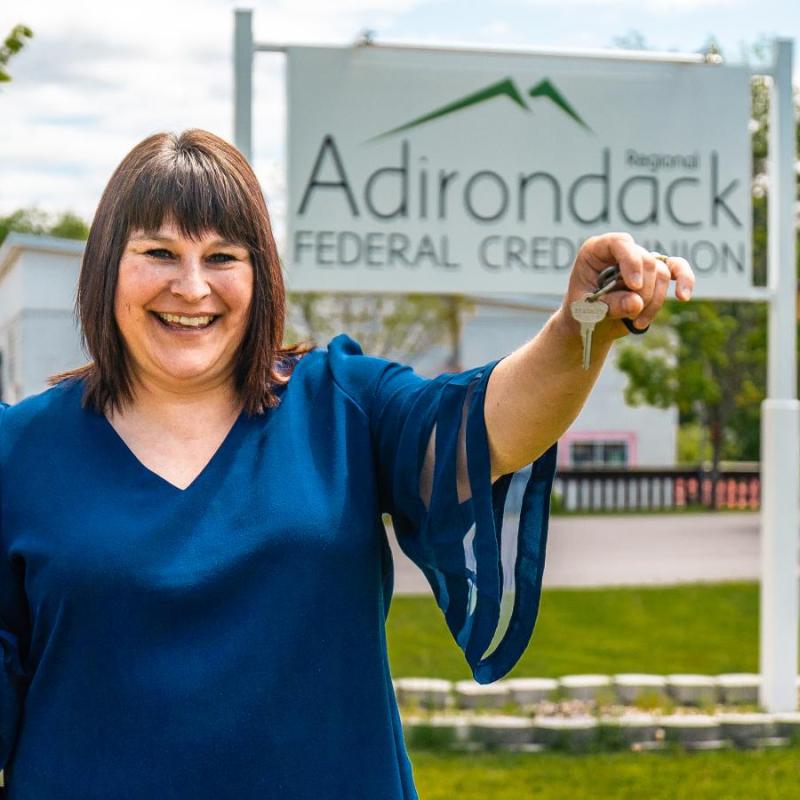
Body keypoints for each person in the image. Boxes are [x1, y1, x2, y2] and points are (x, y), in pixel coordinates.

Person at [0, 129, 695, 799]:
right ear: (106, 269)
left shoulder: (342, 403)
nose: (191, 287)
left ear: (260, 275)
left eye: (222, 257)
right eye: (159, 252)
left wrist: (581, 327)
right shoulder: (19, 452)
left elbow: (486, 428)